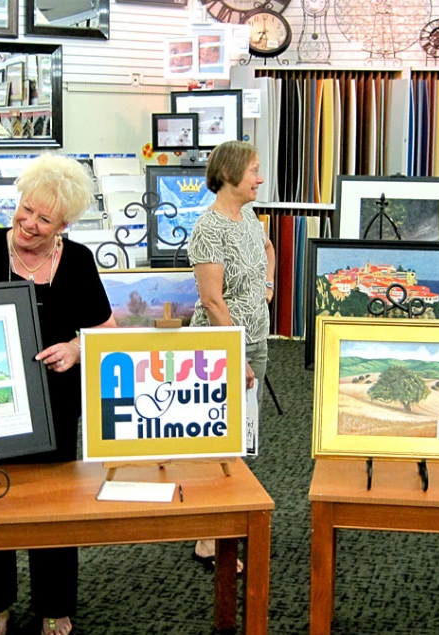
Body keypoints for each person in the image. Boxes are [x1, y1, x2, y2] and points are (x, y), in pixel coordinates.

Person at [0, 154, 115, 635]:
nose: (30, 224)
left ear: (65, 224)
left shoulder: (77, 260)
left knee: (54, 505)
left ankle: (54, 604)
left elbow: (106, 331)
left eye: (45, 219)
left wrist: (77, 349)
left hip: (55, 404)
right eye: (26, 210)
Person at [186, 140, 275, 569]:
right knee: (214, 440)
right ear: (229, 174)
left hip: (256, 342)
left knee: (237, 439)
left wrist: (269, 288)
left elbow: (268, 249)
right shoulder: (209, 228)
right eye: (254, 170)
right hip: (221, 349)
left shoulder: (249, 216)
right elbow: (211, 301)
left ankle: (221, 525)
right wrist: (233, 357)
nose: (260, 178)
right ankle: (207, 538)